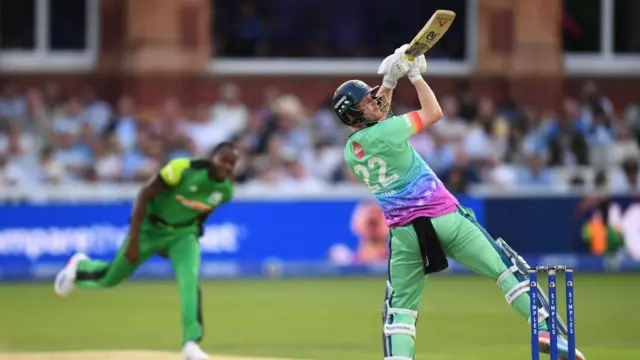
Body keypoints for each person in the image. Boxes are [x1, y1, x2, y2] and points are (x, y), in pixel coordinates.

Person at [333, 45, 587, 360]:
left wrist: (389, 80)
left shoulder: (351, 150)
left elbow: (378, 116)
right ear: (353, 113)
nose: (374, 102)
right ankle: (546, 330)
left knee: (399, 308)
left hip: (405, 235)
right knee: (506, 268)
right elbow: (433, 113)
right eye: (365, 102)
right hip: (446, 219)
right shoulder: (388, 131)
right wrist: (414, 75)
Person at [53, 142, 239, 360]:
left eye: (232, 163)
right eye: (223, 160)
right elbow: (144, 194)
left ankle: (191, 344)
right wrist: (134, 239)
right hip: (150, 228)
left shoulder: (225, 191)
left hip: (183, 235)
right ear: (212, 157)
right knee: (111, 277)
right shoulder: (183, 169)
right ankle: (79, 268)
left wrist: (189, 235)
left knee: (190, 282)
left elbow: (203, 212)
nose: (226, 167)